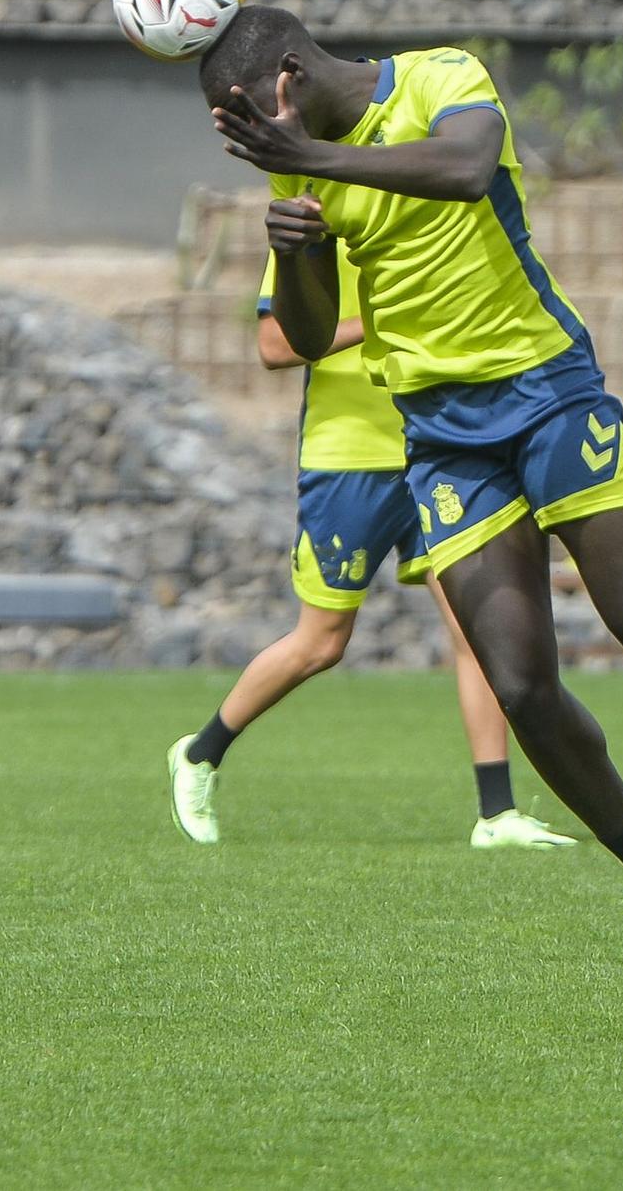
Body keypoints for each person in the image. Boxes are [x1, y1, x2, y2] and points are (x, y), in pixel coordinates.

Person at [197, 6, 623, 1013]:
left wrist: (310, 159)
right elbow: (304, 339)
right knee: (521, 685)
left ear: (290, 77)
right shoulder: (298, 167)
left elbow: (463, 169)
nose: (251, 145)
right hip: (441, 435)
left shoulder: (440, 76)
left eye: (245, 119)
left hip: (549, 393)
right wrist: (297, 244)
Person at [166, 248, 573, 852]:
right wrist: (382, 324)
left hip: (438, 451)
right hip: (346, 461)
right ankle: (200, 755)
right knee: (322, 643)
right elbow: (275, 345)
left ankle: (496, 813)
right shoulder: (311, 238)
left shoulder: (426, 233)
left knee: (475, 630)